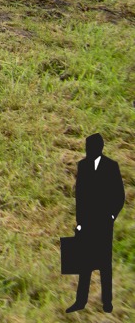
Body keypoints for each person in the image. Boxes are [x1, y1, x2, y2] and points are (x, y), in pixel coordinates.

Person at [72, 133, 124, 313]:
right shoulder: (83, 166)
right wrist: (79, 221)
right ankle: (81, 301)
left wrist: (111, 216)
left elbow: (119, 195)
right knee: (84, 263)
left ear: (99, 148)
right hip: (87, 222)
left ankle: (107, 303)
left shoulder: (111, 166)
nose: (88, 150)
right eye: (87, 147)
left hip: (103, 222)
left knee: (104, 264)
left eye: (91, 147)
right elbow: (80, 196)